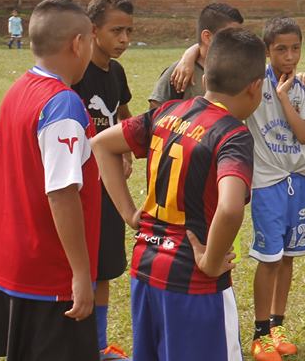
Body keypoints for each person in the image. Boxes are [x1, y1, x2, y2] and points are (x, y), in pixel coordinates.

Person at [91, 27, 265, 361]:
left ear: (206, 78)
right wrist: (211, 261)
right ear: (255, 87)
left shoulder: (167, 112)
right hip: (193, 283)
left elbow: (101, 144)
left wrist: (129, 212)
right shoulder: (232, 135)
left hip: (146, 269)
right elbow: (230, 208)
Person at [0, 0, 101, 361]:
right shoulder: (62, 104)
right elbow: (62, 193)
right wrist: (81, 274)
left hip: (14, 263)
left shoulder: (17, 90)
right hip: (50, 273)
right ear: (78, 44)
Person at [247, 17, 305, 361]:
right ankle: (259, 333)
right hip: (267, 183)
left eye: (295, 49)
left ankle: (278, 325)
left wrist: (285, 97)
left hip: (300, 181)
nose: (289, 56)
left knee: (289, 256)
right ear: (267, 51)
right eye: (281, 49)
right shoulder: (251, 82)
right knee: (269, 258)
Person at [72, 0, 135, 361]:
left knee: (105, 267)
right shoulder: (77, 75)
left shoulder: (117, 71)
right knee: (82, 265)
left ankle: (97, 345)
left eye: (128, 31)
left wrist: (125, 150)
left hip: (110, 188)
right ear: (93, 30)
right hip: (81, 189)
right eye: (116, 31)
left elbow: (123, 114)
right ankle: (78, 344)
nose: (124, 39)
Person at [148, 3, 244, 108]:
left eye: (239, 36)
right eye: (230, 36)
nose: (237, 42)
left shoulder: (238, 70)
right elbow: (154, 113)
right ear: (207, 37)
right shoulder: (179, 73)